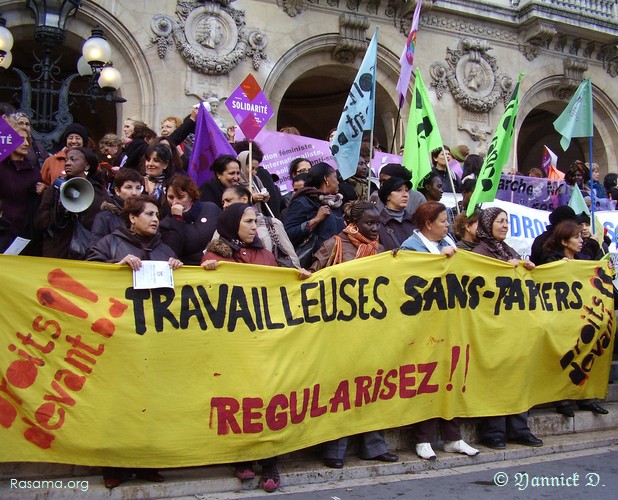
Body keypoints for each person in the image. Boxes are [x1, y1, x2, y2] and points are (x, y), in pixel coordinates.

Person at [201, 203, 310, 493]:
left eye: (255, 221)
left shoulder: (265, 255)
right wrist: (206, 272)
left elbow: (278, 291)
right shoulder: (213, 256)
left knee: (268, 399)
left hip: (265, 343)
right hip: (233, 345)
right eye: (248, 221)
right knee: (239, 400)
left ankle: (270, 461)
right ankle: (242, 457)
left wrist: (295, 278)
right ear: (231, 224)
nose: (253, 226)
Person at [87, 195, 181, 489]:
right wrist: (116, 265)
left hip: (154, 341)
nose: (155, 219)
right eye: (149, 214)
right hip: (119, 338)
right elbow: (88, 277)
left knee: (151, 402)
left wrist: (179, 267)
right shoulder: (109, 245)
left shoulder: (164, 248)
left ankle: (146, 461)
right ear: (131, 217)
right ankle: (113, 465)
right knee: (118, 404)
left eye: (157, 214)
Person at [310, 200, 399, 468]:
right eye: (369, 223)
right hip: (339, 331)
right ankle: (336, 448)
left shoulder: (382, 250)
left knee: (373, 388)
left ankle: (374, 445)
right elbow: (313, 282)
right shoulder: (334, 245)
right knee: (340, 390)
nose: (375, 229)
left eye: (377, 223)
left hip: (373, 331)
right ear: (354, 223)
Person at [400, 203, 479, 459]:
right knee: (428, 380)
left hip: (449, 322)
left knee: (451, 377)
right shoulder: (410, 247)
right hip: (423, 326)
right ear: (428, 224)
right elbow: (408, 283)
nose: (447, 225)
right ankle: (423, 439)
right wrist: (437, 261)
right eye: (443, 221)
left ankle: (452, 437)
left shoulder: (449, 242)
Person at [472, 207, 543, 450]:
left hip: (513, 328)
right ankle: (494, 431)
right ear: (488, 224)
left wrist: (526, 269)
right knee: (496, 379)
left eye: (507, 221)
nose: (504, 225)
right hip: (491, 328)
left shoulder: (509, 250)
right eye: (500, 221)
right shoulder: (478, 252)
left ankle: (519, 428)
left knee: (517, 378)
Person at [540, 219, 609, 417]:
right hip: (561, 319)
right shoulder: (551, 261)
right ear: (564, 241)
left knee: (584, 356)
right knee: (565, 358)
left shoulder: (582, 260)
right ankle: (562, 399)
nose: (581, 240)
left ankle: (586, 397)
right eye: (576, 237)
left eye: (581, 236)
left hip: (581, 318)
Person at [35, 147, 109, 259]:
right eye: (67, 160)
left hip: (85, 252)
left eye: (73, 160)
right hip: (57, 251)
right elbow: (39, 222)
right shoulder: (56, 188)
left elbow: (102, 223)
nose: (68, 163)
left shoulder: (97, 192)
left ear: (87, 165)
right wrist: (59, 210)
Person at [220, 185, 301, 268]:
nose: (225, 205)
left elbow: (291, 258)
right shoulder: (221, 231)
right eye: (223, 202)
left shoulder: (272, 224)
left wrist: (296, 275)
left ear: (244, 199)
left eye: (228, 200)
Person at [284, 162, 345, 268]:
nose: (338, 182)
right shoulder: (303, 202)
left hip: (337, 264)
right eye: (335, 177)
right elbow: (287, 234)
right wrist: (315, 220)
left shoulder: (335, 204)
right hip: (314, 267)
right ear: (326, 179)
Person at [0, 126, 44, 253]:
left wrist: (41, 193)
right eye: (20, 139)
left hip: (25, 236)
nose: (25, 143)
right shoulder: (2, 169)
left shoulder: (34, 172)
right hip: (3, 232)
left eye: (27, 140)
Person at [159, 174, 220, 265]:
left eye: (180, 197)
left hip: (215, 265)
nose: (174, 202)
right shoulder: (166, 223)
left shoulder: (211, 209)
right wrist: (177, 219)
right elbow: (173, 253)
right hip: (190, 271)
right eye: (171, 197)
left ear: (191, 196)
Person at [88, 168, 144, 248]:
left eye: (138, 188)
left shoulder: (144, 215)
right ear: (117, 191)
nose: (134, 193)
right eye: (128, 187)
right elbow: (94, 248)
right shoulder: (104, 217)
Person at [377, 177, 415, 251]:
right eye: (399, 190)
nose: (405, 195)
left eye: (406, 191)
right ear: (388, 196)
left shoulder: (415, 221)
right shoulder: (377, 224)